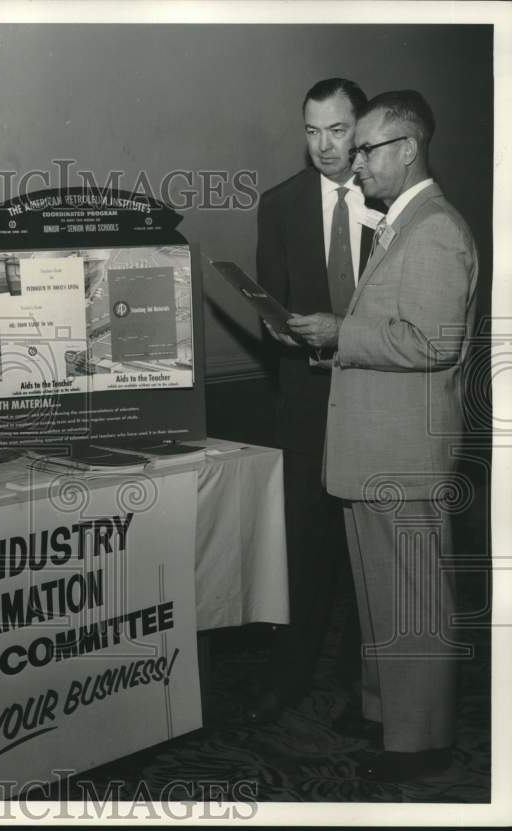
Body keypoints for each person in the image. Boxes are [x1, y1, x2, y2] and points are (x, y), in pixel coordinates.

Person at [285, 90, 478, 782]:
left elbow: (432, 341)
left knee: (411, 601)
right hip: (377, 450)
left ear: (408, 149)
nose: (354, 162)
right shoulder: (403, 221)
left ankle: (420, 742)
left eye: (366, 148)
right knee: (379, 597)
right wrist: (334, 342)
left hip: (403, 454)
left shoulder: (436, 229)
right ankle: (384, 715)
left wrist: (342, 332)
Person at [251, 78, 376, 726]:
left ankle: (364, 684)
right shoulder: (280, 205)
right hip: (305, 405)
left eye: (337, 130)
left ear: (362, 129)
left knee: (367, 557)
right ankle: (289, 676)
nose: (324, 146)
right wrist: (276, 328)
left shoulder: (390, 202)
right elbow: (269, 305)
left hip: (376, 399)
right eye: (311, 131)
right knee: (302, 548)